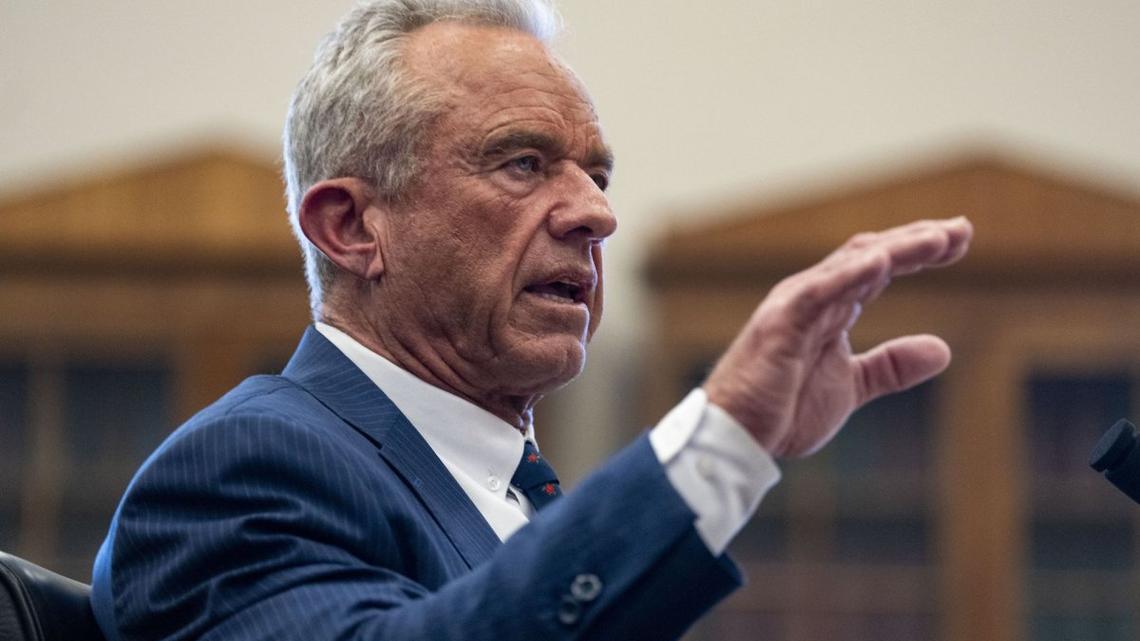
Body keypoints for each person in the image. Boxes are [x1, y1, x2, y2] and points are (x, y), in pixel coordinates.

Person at [89, 1, 974, 640]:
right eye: (522, 162)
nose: (596, 213)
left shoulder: (515, 487)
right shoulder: (247, 468)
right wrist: (724, 436)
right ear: (353, 226)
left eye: (597, 175)